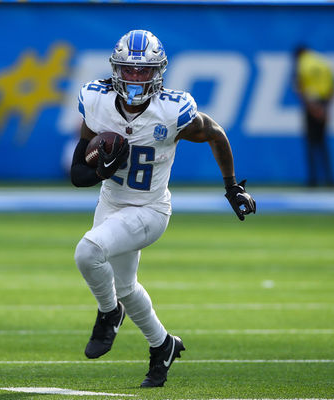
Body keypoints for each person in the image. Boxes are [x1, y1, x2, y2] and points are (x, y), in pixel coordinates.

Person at [69, 30, 256, 388]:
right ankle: (164, 345)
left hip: (149, 210)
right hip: (111, 203)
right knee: (125, 286)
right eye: (129, 70)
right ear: (115, 69)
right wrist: (100, 171)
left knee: (87, 253)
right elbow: (78, 173)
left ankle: (108, 314)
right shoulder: (97, 100)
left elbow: (215, 132)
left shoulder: (171, 110)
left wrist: (232, 187)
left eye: (144, 71)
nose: (136, 78)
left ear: (158, 72)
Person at [293, 44, 334, 188]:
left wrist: (312, 109)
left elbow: (300, 86)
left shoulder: (302, 63)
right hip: (324, 104)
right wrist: (325, 108)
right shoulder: (323, 62)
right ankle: (329, 179)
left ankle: (313, 180)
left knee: (311, 144)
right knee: (323, 143)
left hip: (311, 105)